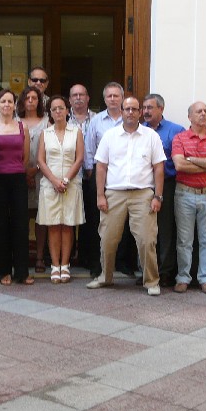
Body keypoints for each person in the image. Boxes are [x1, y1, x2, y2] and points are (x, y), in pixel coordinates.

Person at [86, 96, 165, 295]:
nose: (130, 112)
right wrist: (100, 195)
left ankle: (151, 281)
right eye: (127, 109)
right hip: (114, 193)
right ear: (121, 112)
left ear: (140, 112)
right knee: (108, 239)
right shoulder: (110, 136)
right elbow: (101, 167)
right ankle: (105, 277)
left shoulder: (151, 136)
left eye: (134, 109)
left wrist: (158, 196)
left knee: (147, 240)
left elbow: (159, 168)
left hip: (143, 194)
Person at [172, 101, 206, 294]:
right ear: (190, 117)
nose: (203, 114)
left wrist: (193, 159)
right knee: (184, 240)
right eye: (198, 111)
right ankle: (183, 277)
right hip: (185, 193)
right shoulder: (179, 138)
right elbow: (179, 165)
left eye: (205, 111)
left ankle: (205, 278)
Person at [0, 89, 34, 285]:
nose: (6, 105)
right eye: (3, 101)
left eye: (10, 101)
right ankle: (2, 270)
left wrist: (18, 173)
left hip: (17, 180)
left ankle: (21, 271)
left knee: (20, 225)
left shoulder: (23, 127)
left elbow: (26, 157)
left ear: (15, 105)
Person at [37, 95, 85, 283]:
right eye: (54, 109)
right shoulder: (45, 133)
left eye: (61, 108)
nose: (58, 111)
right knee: (53, 226)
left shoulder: (76, 132)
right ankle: (54, 265)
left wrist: (65, 180)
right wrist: (54, 181)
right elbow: (41, 160)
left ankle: (65, 265)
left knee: (67, 225)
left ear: (67, 110)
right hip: (50, 185)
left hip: (71, 185)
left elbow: (79, 158)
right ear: (50, 112)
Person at [142, 93, 185, 287]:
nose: (146, 112)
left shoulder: (175, 130)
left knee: (165, 230)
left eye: (150, 108)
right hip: (142, 186)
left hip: (167, 184)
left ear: (161, 109)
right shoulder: (138, 130)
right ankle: (146, 270)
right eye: (144, 108)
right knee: (144, 230)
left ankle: (166, 271)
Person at [84, 82, 124, 277]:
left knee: (122, 220)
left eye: (116, 96)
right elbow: (89, 147)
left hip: (123, 177)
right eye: (109, 96)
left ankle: (122, 263)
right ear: (105, 99)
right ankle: (96, 264)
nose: (113, 99)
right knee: (95, 221)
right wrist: (90, 171)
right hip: (100, 176)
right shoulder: (97, 121)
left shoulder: (129, 119)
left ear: (122, 98)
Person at [17, 86, 49, 272]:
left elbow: (51, 150)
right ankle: (21, 255)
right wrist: (24, 172)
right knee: (21, 216)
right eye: (27, 97)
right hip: (18, 174)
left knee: (40, 217)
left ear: (39, 101)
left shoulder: (46, 123)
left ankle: (39, 256)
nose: (30, 101)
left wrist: (35, 170)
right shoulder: (14, 121)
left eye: (34, 98)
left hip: (41, 175)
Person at [69, 84, 97, 271]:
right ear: (70, 99)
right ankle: (67, 257)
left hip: (93, 175)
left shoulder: (98, 119)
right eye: (74, 95)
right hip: (69, 176)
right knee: (69, 218)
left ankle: (89, 257)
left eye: (82, 94)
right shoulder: (61, 117)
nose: (78, 98)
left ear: (88, 98)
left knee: (91, 218)